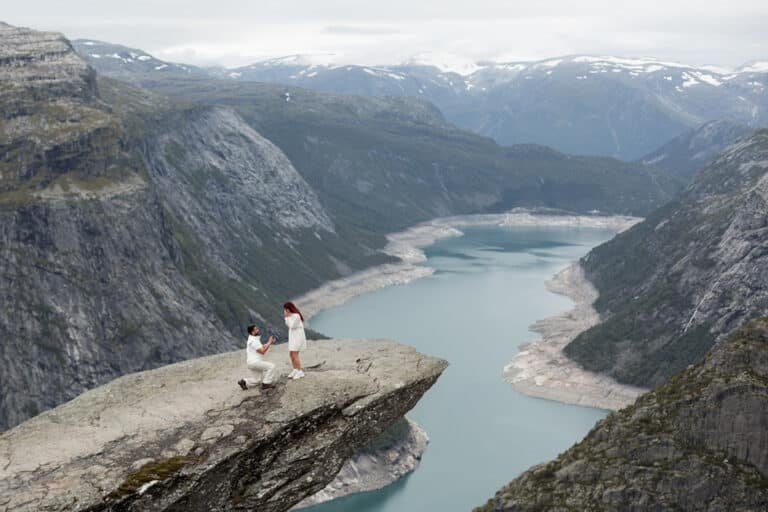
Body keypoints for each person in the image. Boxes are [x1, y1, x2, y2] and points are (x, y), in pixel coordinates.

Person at [238, 325, 277, 390]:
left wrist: (269, 343)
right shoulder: (253, 341)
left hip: (252, 363)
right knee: (272, 366)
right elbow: (262, 351)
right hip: (255, 362)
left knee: (257, 380)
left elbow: (261, 348)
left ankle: (244, 382)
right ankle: (266, 384)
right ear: (252, 332)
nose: (258, 330)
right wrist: (269, 342)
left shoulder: (253, 339)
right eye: (256, 329)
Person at [284, 301, 307, 380]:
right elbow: (288, 325)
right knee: (291, 354)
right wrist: (287, 317)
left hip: (297, 337)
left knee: (295, 354)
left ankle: (300, 371)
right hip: (293, 336)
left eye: (286, 309)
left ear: (290, 308)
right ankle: (295, 369)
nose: (285, 311)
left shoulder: (296, 316)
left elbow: (292, 326)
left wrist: (287, 317)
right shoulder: (290, 316)